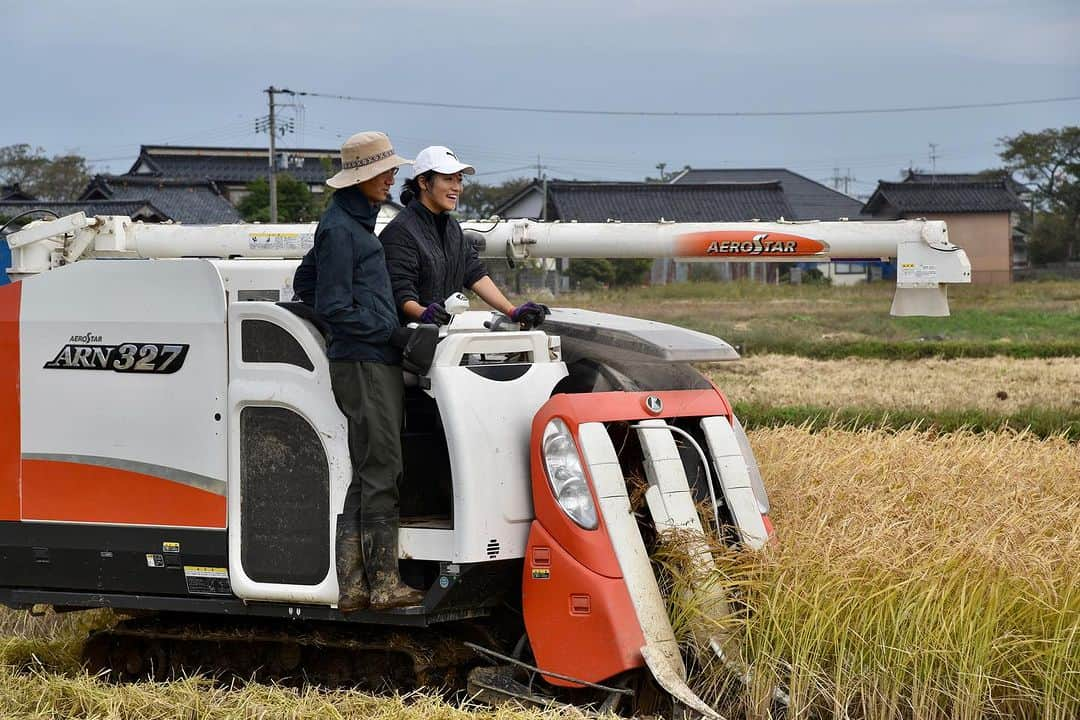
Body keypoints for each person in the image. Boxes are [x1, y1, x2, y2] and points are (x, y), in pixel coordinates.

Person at [293, 131, 424, 612]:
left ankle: (354, 588)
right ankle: (383, 584)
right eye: (385, 171)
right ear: (363, 176)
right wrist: (385, 332)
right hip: (365, 360)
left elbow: (306, 282)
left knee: (368, 468)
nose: (393, 178)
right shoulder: (343, 231)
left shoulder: (350, 224)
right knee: (383, 466)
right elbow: (331, 302)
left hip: (367, 357)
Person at [379, 145, 549, 328]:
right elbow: (400, 292)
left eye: (459, 180)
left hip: (440, 336)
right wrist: (423, 313)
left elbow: (474, 273)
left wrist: (512, 311)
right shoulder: (400, 231)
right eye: (448, 179)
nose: (457, 188)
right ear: (423, 182)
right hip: (407, 342)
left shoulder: (452, 228)